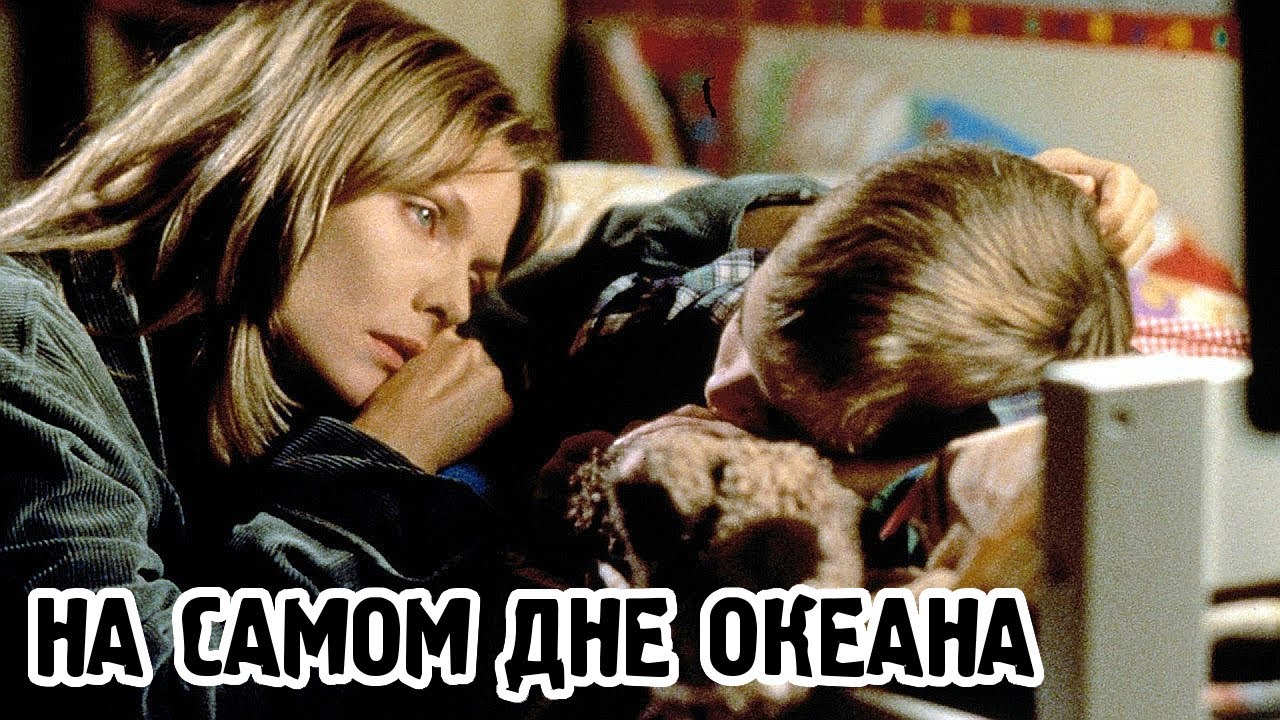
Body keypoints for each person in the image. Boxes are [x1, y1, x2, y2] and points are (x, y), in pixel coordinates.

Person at [2, 0, 555, 716]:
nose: (451, 301)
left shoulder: (255, 381)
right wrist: (374, 473)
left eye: (479, 278)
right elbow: (138, 692)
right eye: (424, 215)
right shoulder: (21, 338)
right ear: (289, 153)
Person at [505, 142, 1154, 495]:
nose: (721, 392)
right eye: (745, 336)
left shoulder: (965, 449)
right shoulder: (690, 285)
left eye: (780, 418)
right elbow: (535, 301)